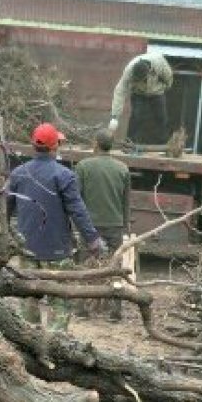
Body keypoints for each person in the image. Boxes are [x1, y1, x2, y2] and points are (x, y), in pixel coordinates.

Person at [6, 123, 105, 331]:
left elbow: (4, 210)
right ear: (55, 146)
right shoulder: (64, 175)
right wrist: (93, 239)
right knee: (59, 301)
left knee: (27, 302)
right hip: (57, 252)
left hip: (26, 250)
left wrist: (7, 237)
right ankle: (56, 346)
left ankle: (28, 342)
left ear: (34, 145)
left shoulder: (18, 173)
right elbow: (78, 211)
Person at [75, 130, 131, 322]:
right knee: (115, 266)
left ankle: (81, 308)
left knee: (86, 264)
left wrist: (75, 223)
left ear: (95, 143)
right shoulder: (123, 169)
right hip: (115, 225)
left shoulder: (83, 166)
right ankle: (115, 311)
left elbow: (76, 199)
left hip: (89, 226)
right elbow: (126, 202)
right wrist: (126, 226)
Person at [109, 51, 174, 147]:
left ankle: (163, 145)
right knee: (136, 117)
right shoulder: (129, 70)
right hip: (138, 93)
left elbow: (169, 78)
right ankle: (129, 143)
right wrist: (115, 116)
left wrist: (163, 88)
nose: (139, 81)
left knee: (161, 118)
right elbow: (120, 91)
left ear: (148, 73)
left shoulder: (160, 63)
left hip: (157, 93)